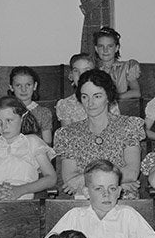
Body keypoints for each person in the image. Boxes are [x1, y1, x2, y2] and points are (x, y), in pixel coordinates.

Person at [37, 159, 155, 238]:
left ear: (119, 191)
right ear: (87, 192)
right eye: (99, 188)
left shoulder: (127, 215)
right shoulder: (75, 216)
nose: (106, 194)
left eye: (112, 188)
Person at [53, 69, 143, 198]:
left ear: (108, 97)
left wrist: (84, 179)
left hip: (121, 198)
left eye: (97, 96)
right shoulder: (68, 134)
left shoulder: (128, 126)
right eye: (85, 97)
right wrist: (117, 184)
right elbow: (70, 181)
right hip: (85, 199)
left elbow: (131, 173)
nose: (90, 103)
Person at [55, 53, 121, 126]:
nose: (81, 75)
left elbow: (115, 128)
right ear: (71, 76)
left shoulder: (107, 100)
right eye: (76, 70)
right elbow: (66, 134)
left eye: (86, 70)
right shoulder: (65, 105)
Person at [8, 66, 53, 145]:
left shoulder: (44, 113)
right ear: (11, 87)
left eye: (28, 85)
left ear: (35, 86)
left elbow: (47, 143)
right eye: (18, 85)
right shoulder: (5, 111)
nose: (23, 89)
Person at [93, 26, 140, 100]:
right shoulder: (92, 68)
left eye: (110, 46)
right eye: (101, 46)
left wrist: (114, 97)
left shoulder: (126, 67)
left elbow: (136, 92)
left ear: (117, 48)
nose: (105, 50)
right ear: (96, 49)